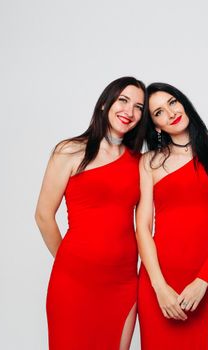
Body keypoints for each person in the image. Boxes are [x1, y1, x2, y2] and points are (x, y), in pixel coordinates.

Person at [34, 76, 146, 350]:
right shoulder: (70, 151)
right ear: (104, 104)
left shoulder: (141, 163)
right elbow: (43, 215)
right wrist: (70, 263)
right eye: (123, 100)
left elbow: (147, 224)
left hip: (123, 283)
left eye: (139, 107)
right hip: (74, 282)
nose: (129, 111)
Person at [136, 82, 208, 350]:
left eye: (172, 102)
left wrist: (203, 280)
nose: (170, 113)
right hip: (158, 283)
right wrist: (160, 288)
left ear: (183, 102)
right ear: (156, 126)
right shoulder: (149, 162)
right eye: (159, 112)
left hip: (207, 281)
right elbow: (143, 228)